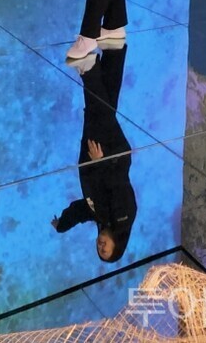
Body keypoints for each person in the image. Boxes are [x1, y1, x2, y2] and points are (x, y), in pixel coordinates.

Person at [51, 46, 137, 262]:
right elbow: (118, 185)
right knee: (97, 112)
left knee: (106, 105)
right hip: (107, 154)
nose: (101, 246)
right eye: (106, 250)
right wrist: (101, 161)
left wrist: (62, 225)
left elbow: (81, 211)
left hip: (98, 156)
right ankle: (89, 69)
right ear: (117, 246)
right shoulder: (122, 219)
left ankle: (114, 51)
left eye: (99, 250)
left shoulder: (103, 218)